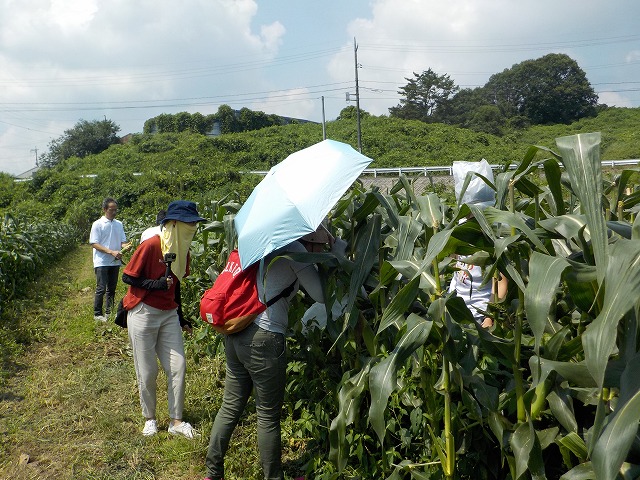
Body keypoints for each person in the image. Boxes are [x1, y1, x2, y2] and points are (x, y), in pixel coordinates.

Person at [204, 227, 332, 480]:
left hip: (236, 331)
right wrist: (334, 258)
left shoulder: (261, 242)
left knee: (230, 406)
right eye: (319, 246)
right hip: (264, 338)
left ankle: (212, 473)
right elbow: (319, 295)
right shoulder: (294, 249)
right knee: (267, 415)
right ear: (310, 239)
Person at [121, 200, 205, 438]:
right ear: (175, 223)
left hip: (168, 314)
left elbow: (175, 286)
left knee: (178, 367)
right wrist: (155, 285)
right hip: (143, 312)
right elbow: (128, 277)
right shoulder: (151, 245)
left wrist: (180, 316)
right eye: (190, 223)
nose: (194, 228)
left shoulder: (183, 249)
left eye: (195, 223)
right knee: (147, 372)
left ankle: (176, 422)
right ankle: (150, 418)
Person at [448, 160, 507, 328]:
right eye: (468, 214)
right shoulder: (459, 230)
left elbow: (502, 283)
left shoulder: (496, 237)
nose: (472, 217)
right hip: (457, 310)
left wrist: (490, 317)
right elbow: (453, 263)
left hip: (481, 313)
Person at [89, 197, 128, 321]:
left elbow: (122, 241)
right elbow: (94, 243)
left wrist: (127, 246)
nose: (114, 212)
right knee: (101, 288)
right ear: (105, 209)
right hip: (102, 261)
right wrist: (111, 252)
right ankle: (97, 313)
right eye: (111, 210)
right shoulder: (98, 224)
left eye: (116, 210)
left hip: (115, 262)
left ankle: (108, 312)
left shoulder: (119, 224)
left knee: (112, 288)